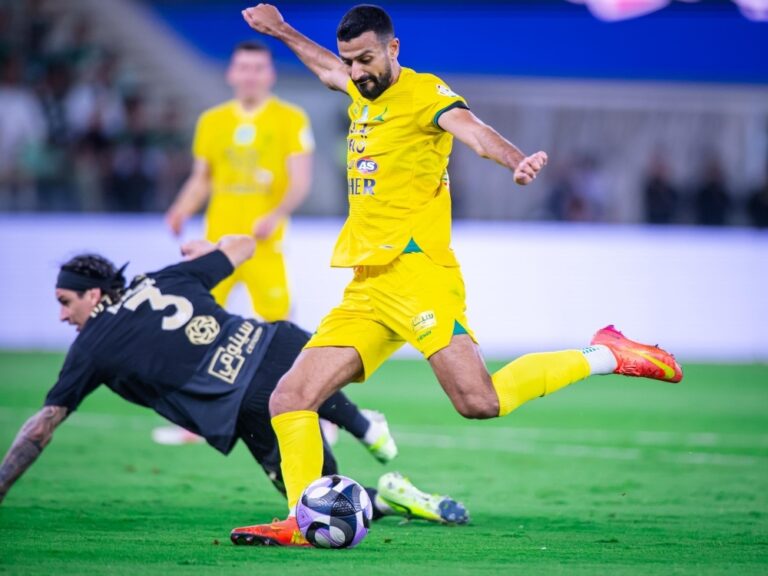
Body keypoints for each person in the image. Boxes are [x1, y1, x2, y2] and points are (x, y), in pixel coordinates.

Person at [235, 3, 684, 546]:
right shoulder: (358, 86)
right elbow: (327, 69)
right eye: (352, 62)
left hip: (420, 274)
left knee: (479, 402)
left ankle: (608, 353)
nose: (356, 72)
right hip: (368, 284)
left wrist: (515, 159)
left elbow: (472, 129)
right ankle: (303, 524)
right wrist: (281, 29)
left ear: (393, 49)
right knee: (289, 399)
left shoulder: (425, 94)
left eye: (366, 60)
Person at [0, 235, 470, 546]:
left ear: (94, 295)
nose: (63, 316)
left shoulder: (93, 346)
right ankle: (389, 484)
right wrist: (209, 248)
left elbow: (43, 426)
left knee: (311, 506)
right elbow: (244, 245)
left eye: (65, 303)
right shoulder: (164, 278)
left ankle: (371, 460)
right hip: (279, 341)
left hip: (246, 399)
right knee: (321, 484)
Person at [165, 40, 313, 322]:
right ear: (231, 73)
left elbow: (301, 180)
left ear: (271, 74)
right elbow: (201, 178)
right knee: (203, 316)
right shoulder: (212, 121)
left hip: (264, 240)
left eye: (258, 68)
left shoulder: (291, 119)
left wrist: (276, 214)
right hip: (218, 241)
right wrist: (181, 209)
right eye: (244, 68)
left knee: (278, 320)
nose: (250, 76)